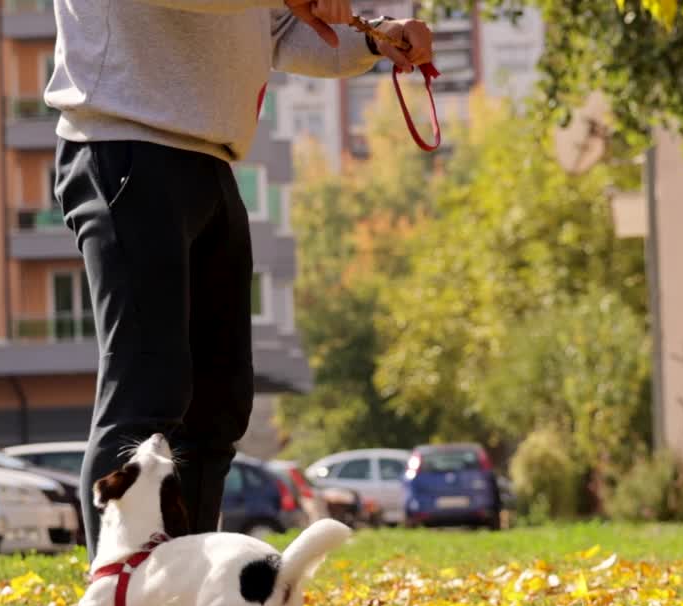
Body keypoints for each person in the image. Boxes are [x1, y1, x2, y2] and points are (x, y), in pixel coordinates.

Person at [47, 0, 434, 557]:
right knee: (146, 391)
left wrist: (375, 37)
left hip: (208, 158)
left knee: (218, 402)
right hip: (122, 142)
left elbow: (276, 29)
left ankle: (186, 592)